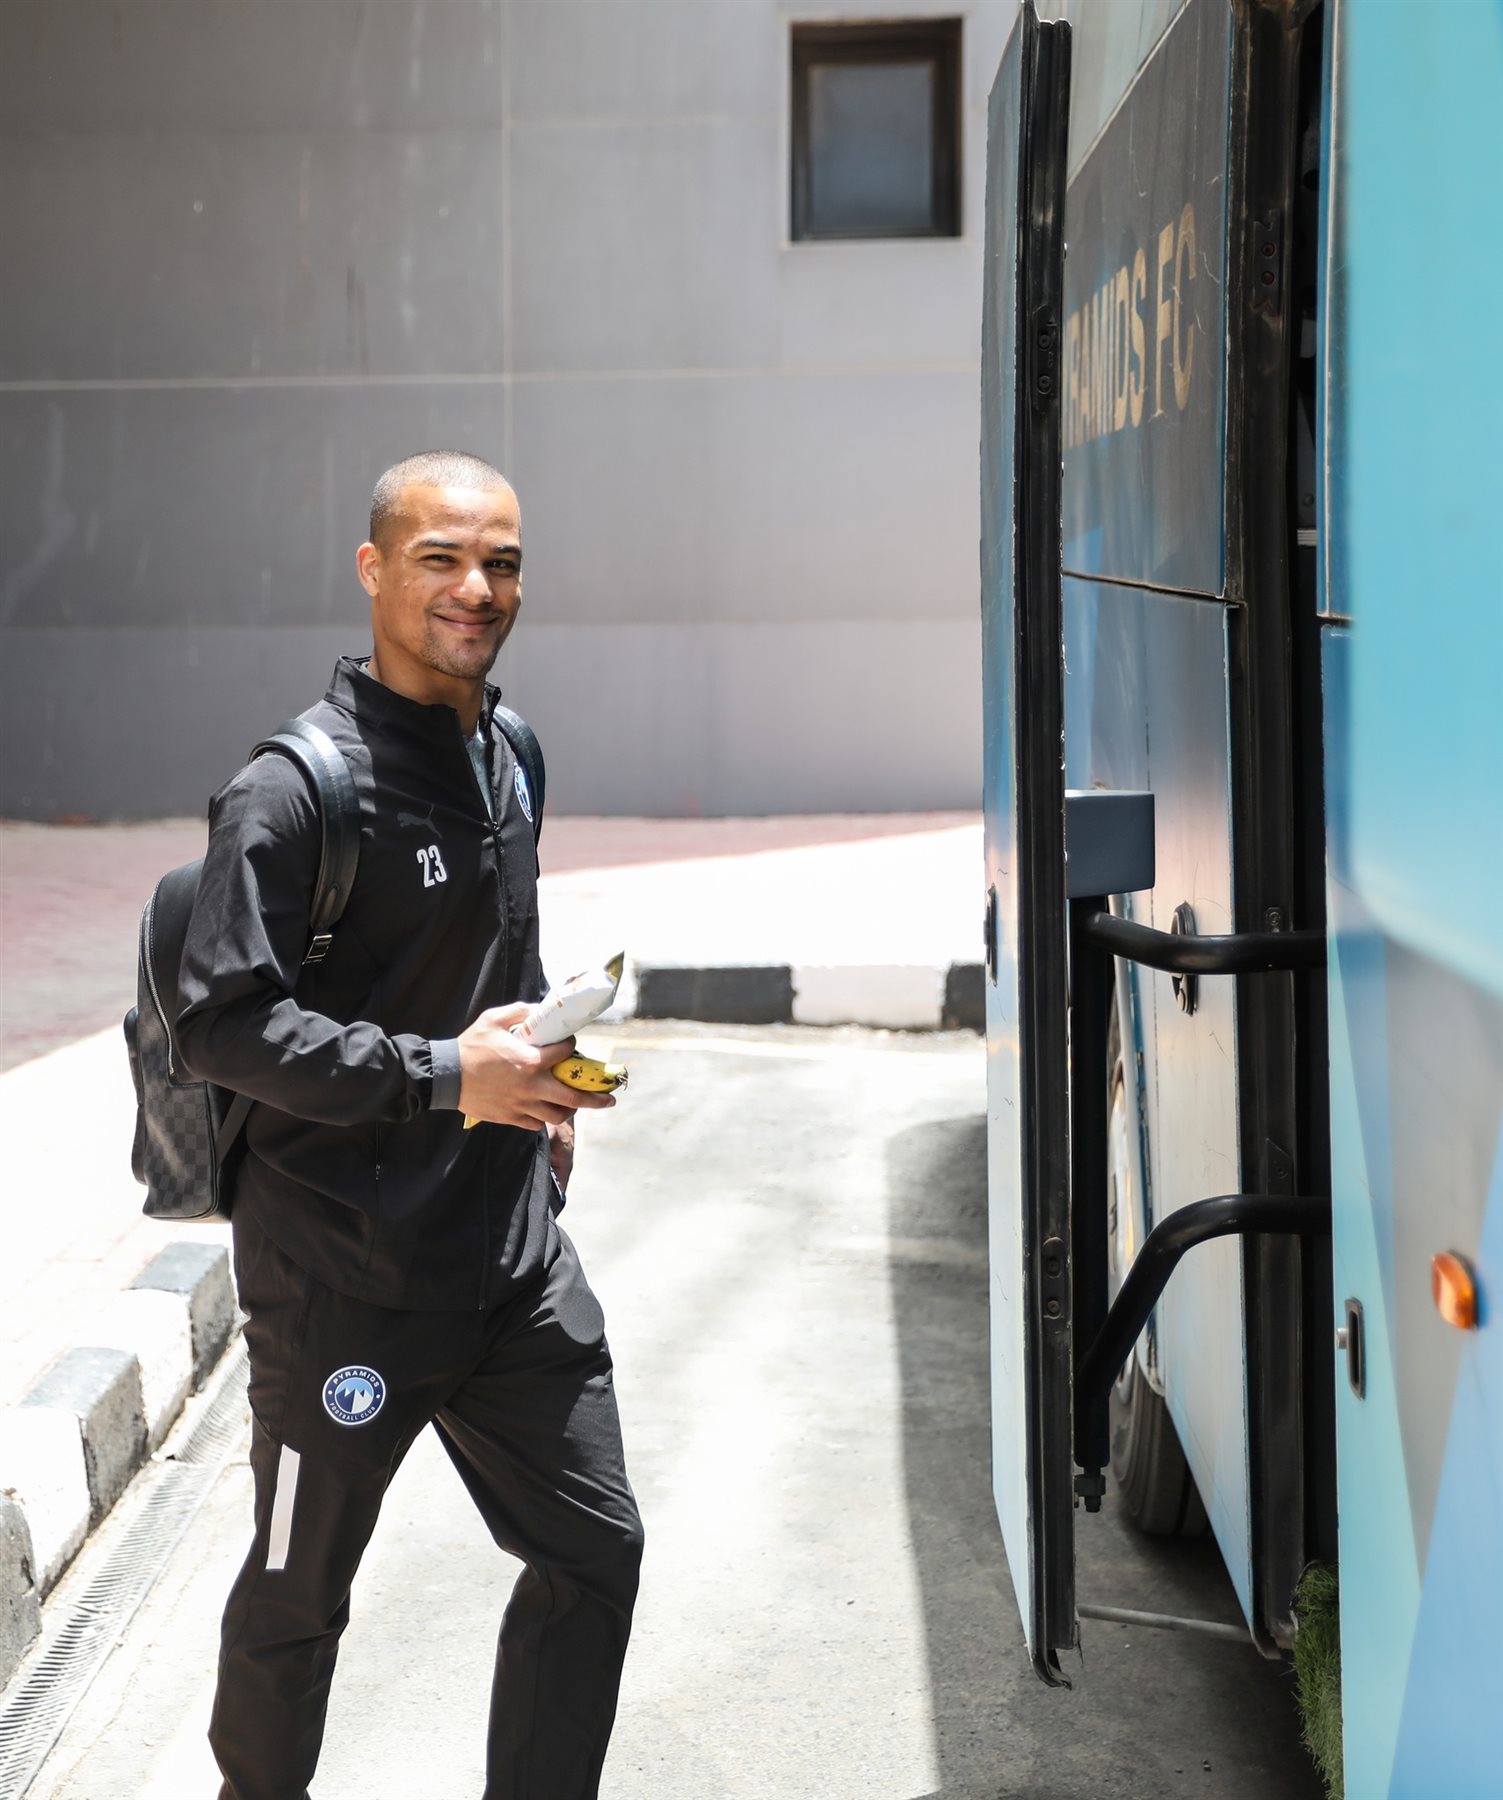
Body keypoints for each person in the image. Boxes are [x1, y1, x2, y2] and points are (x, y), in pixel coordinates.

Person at [176, 450, 643, 1800]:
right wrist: (447, 1075)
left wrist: (540, 1073)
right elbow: (221, 1025)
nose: (475, 589)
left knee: (593, 1555)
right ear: (375, 571)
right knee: (296, 1602)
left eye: (501, 563)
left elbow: (495, 949)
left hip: (511, 1268)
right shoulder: (295, 790)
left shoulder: (511, 751)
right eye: (441, 559)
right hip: (344, 1279)